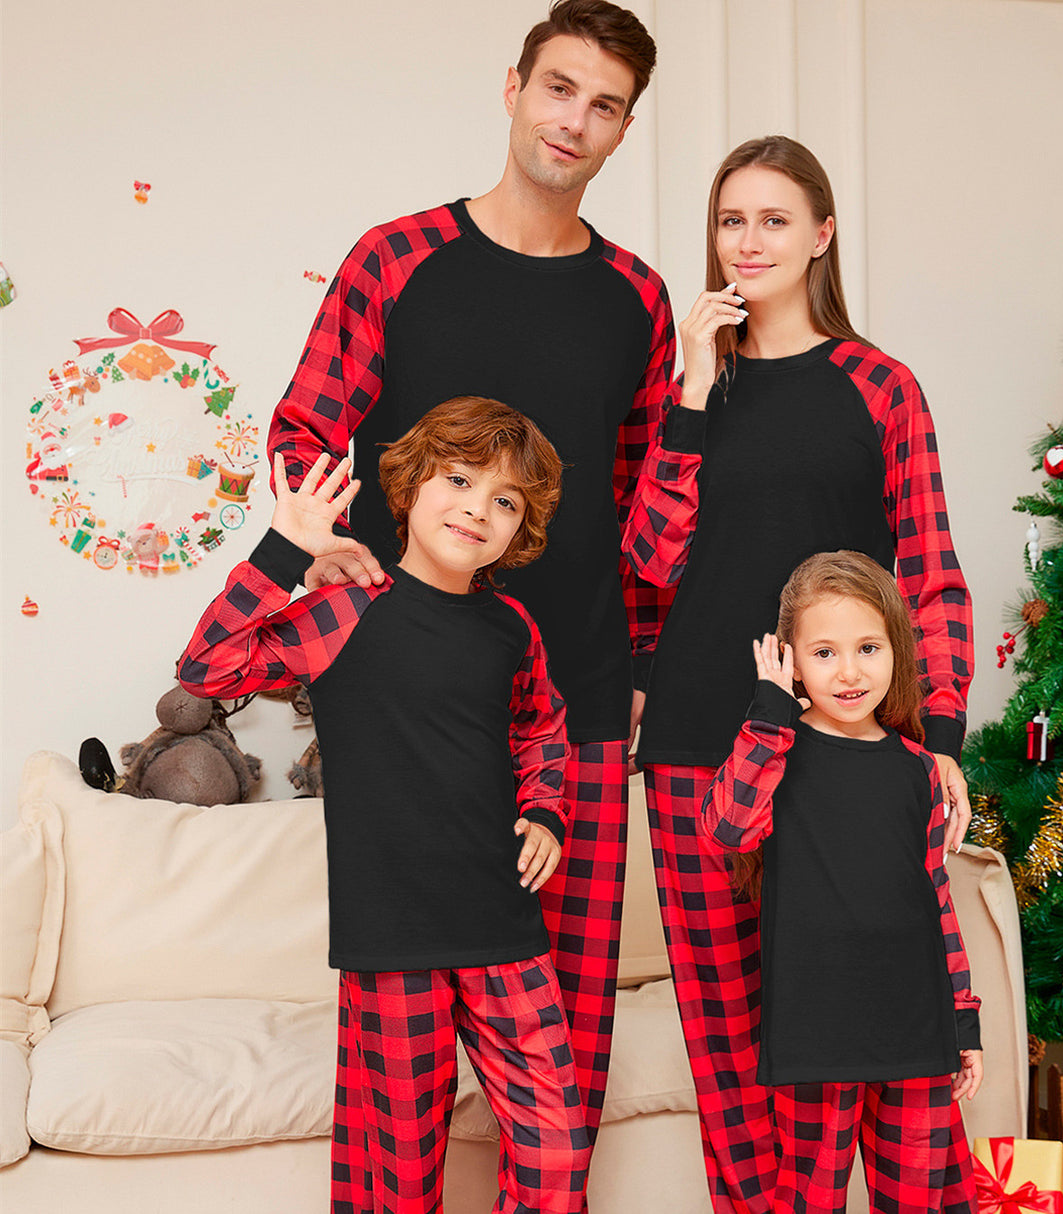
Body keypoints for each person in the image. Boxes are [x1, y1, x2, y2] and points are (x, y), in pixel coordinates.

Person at [266, 0, 674, 1157]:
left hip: (582, 698)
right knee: (399, 1072)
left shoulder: (637, 297)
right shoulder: (394, 260)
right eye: (558, 88)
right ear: (512, 88)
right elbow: (306, 430)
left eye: (603, 105)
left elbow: (646, 503)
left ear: (621, 131)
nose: (573, 120)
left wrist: (639, 659)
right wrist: (326, 549)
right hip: (414, 702)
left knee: (565, 1044)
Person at [623, 135, 975, 1212]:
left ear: (821, 234)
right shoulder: (687, 387)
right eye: (731, 219)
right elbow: (645, 557)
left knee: (858, 1034)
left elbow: (928, 570)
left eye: (774, 219)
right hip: (697, 750)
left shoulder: (879, 385)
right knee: (732, 1063)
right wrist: (689, 386)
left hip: (844, 759)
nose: (749, 240)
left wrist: (943, 738)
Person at [178, 398, 590, 1214]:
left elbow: (543, 728)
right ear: (410, 488)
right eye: (462, 480)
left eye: (504, 501)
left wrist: (545, 811)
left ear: (520, 531)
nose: (478, 507)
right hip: (390, 936)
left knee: (559, 1142)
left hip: (504, 923)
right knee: (399, 1168)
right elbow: (207, 670)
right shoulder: (342, 608)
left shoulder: (514, 627)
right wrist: (284, 551)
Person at [702, 550, 982, 1213]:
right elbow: (725, 828)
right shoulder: (775, 752)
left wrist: (962, 1024)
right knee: (809, 1198)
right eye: (824, 653)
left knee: (923, 1199)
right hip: (816, 1033)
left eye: (867, 648)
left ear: (897, 652)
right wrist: (767, 719)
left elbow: (938, 904)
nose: (850, 672)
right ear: (789, 657)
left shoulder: (919, 769)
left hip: (915, 1029)